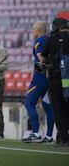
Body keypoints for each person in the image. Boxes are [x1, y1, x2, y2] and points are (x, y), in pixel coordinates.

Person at [22, 21, 54, 143]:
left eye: (33, 29)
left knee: (29, 103)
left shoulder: (39, 41)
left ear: (38, 30)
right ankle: (49, 136)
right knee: (48, 107)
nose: (32, 31)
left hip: (39, 78)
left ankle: (35, 133)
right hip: (48, 78)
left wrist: (41, 66)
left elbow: (42, 59)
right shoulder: (49, 40)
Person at [39, 18, 69, 147]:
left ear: (55, 28)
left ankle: (64, 139)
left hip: (57, 79)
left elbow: (43, 59)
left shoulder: (51, 40)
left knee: (58, 110)